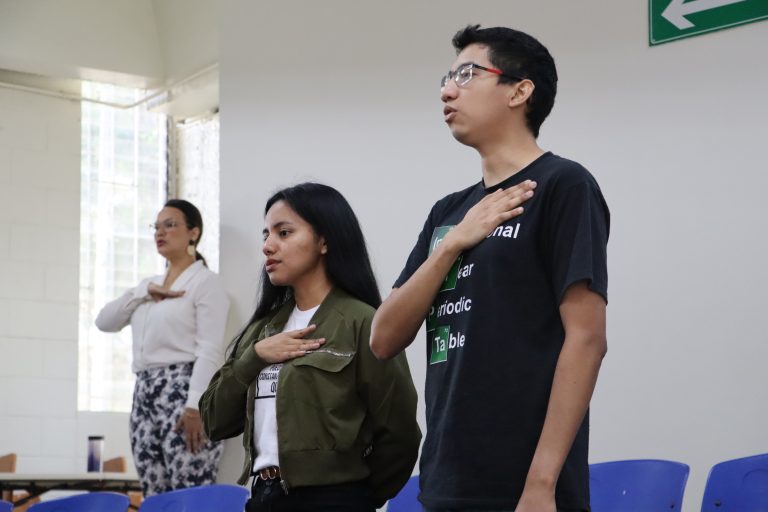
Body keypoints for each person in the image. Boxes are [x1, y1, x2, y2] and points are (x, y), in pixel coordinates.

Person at [370, 25, 610, 512]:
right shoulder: (448, 213)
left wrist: (541, 483)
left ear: (519, 91)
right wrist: (452, 244)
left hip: (525, 487)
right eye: (446, 78)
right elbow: (383, 338)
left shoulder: (562, 185)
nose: (447, 90)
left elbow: (587, 339)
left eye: (466, 74)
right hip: (446, 479)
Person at [200, 182, 421, 512]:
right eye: (266, 235)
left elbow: (400, 432)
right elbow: (213, 421)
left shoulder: (363, 322)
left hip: (335, 500)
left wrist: (358, 497)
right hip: (263, 496)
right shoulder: (262, 329)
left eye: (284, 233)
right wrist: (254, 357)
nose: (268, 246)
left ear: (324, 241)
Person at [95, 199, 229, 496]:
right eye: (156, 227)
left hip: (183, 390)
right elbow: (104, 321)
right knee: (153, 490)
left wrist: (195, 406)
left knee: (190, 489)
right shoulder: (149, 286)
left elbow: (210, 349)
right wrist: (143, 292)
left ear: (193, 233)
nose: (160, 232)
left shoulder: (206, 282)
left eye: (170, 225)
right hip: (144, 391)